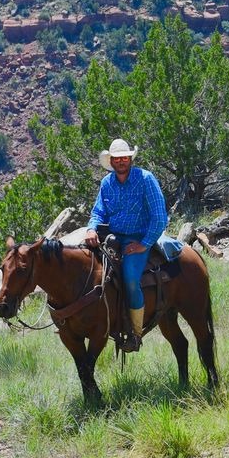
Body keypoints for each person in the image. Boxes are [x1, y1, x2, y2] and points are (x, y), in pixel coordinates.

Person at [84, 138, 168, 352]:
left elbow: (159, 217)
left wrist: (143, 244)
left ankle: (136, 333)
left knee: (130, 279)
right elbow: (98, 212)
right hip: (111, 238)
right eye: (117, 158)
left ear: (130, 159)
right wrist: (92, 228)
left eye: (125, 157)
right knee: (88, 272)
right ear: (111, 161)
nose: (121, 161)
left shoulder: (145, 179)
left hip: (138, 238)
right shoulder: (107, 183)